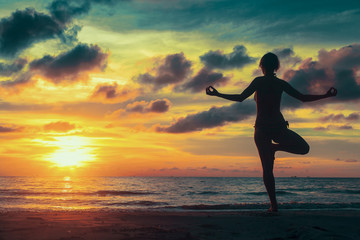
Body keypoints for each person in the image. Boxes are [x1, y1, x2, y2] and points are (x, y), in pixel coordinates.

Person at [206, 52, 337, 212]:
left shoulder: (259, 82)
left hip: (263, 128)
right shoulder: (279, 83)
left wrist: (217, 94)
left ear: (261, 66)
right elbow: (302, 98)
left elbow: (240, 98)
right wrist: (325, 95)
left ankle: (274, 205)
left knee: (268, 169)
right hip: (276, 127)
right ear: (276, 67)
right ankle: (273, 204)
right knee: (303, 149)